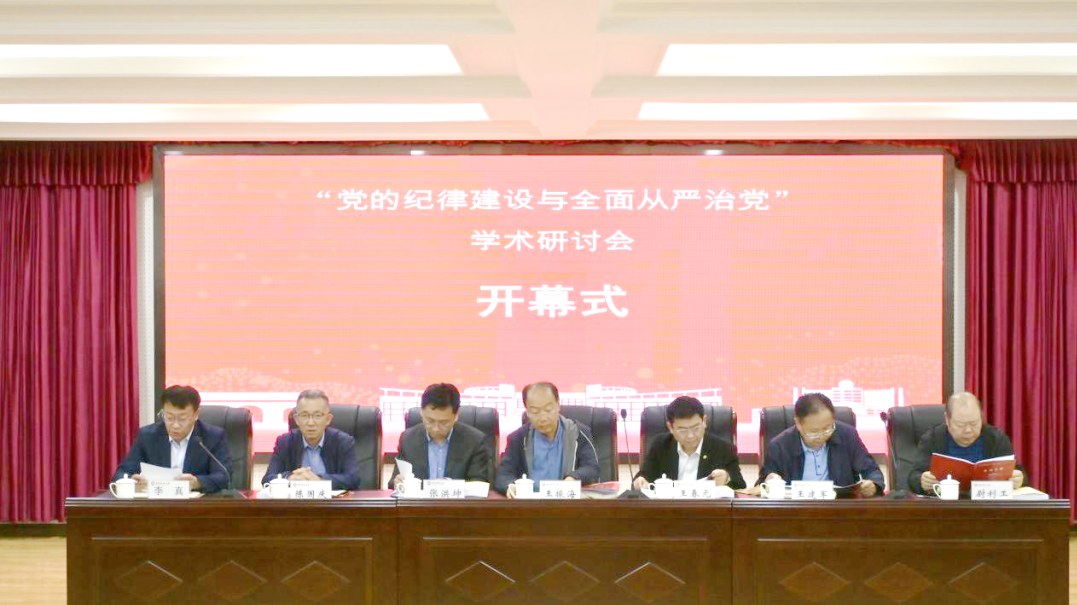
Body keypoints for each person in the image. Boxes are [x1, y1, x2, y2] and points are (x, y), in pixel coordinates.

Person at [758, 392, 884, 497]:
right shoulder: (779, 446)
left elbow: (872, 471)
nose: (821, 435)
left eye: (827, 428)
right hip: (795, 511)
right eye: (813, 431)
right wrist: (770, 479)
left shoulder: (847, 435)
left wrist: (873, 484)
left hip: (839, 509)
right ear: (798, 424)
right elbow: (761, 486)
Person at [113, 385, 231, 493]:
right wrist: (132, 481)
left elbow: (224, 476)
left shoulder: (213, 437)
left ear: (196, 415)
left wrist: (197, 482)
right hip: (157, 505)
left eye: (182, 419)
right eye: (169, 417)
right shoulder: (147, 436)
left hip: (196, 506)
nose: (175, 425)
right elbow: (121, 473)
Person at [494, 382, 601, 498]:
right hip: (530, 505)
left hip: (567, 504)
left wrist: (573, 478)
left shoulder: (578, 433)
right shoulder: (518, 438)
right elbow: (503, 475)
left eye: (548, 409)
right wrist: (511, 486)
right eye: (535, 411)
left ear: (558, 405)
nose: (543, 418)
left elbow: (592, 468)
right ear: (527, 411)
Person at [911, 391, 1025, 494]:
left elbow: (1018, 472)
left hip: (987, 506)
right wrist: (922, 481)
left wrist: (1018, 479)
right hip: (945, 506)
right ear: (947, 419)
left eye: (974, 423)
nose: (968, 430)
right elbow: (913, 477)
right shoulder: (933, 439)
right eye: (960, 424)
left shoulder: (996, 439)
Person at [632, 396, 746, 490]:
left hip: (707, 509)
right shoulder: (660, 445)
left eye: (695, 428)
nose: (690, 435)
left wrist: (726, 478)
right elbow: (644, 476)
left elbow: (740, 485)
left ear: (704, 421)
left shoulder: (723, 448)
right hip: (669, 509)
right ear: (670, 427)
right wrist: (639, 482)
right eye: (683, 430)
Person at [389, 383, 491, 486]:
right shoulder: (408, 439)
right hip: (419, 497)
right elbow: (395, 480)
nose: (436, 428)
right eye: (429, 421)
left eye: (443, 423)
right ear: (421, 412)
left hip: (458, 497)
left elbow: (479, 483)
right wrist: (398, 482)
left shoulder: (474, 441)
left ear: (456, 416)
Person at [262, 389, 360, 491]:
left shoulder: (343, 441)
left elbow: (353, 479)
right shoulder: (285, 442)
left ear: (328, 419)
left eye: (317, 416)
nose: (311, 423)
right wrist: (289, 478)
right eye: (304, 416)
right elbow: (267, 479)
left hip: (332, 501)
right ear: (297, 419)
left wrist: (319, 480)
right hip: (297, 501)